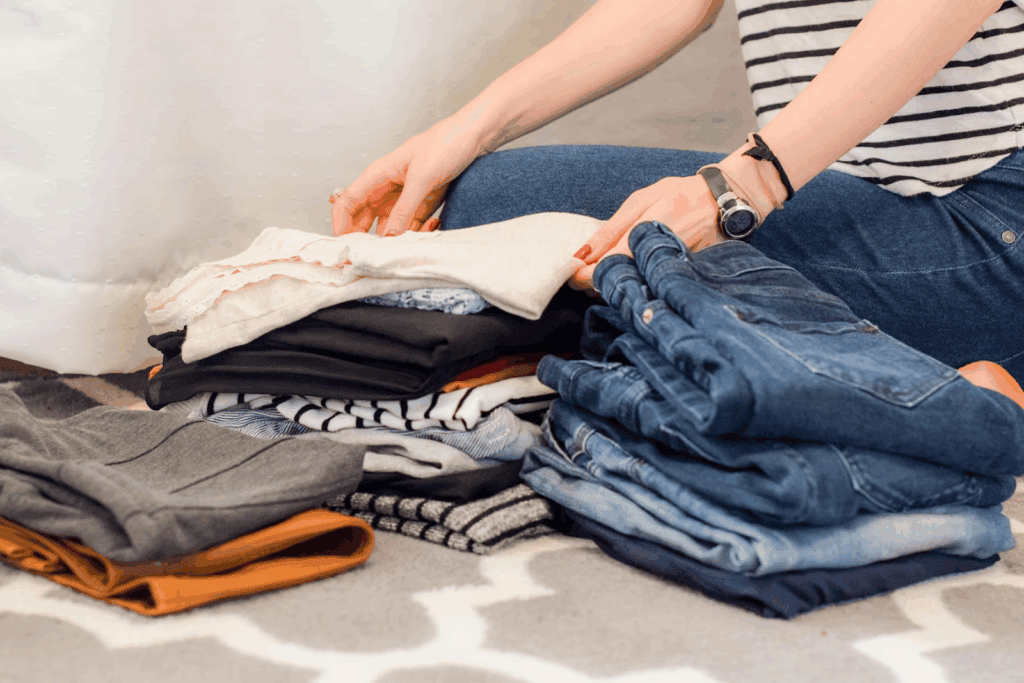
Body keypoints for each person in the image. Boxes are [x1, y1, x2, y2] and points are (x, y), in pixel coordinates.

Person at [329, 0, 1024, 384]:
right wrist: (467, 130)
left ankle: (937, 403)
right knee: (481, 202)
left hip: (980, 217)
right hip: (843, 196)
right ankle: (902, 387)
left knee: (532, 250)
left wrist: (747, 181)